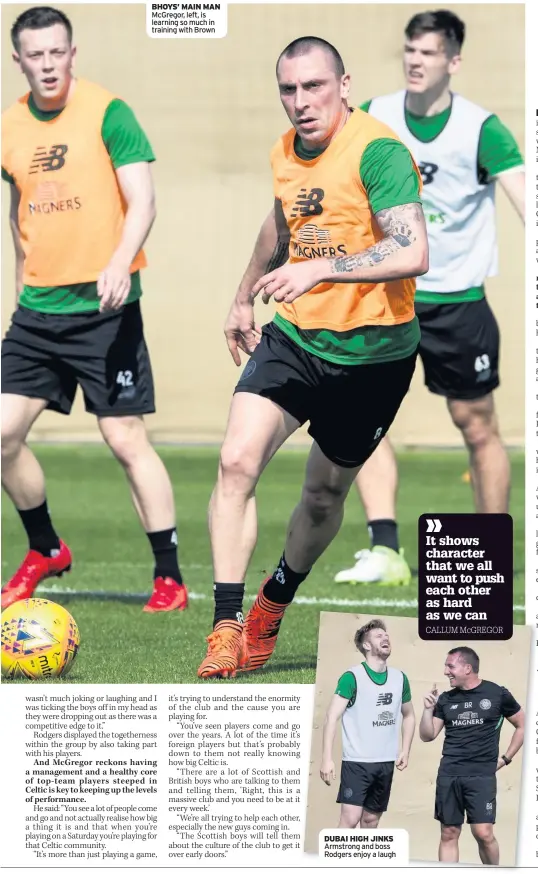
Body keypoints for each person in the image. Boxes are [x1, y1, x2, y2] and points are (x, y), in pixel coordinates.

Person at [197, 35, 429, 679]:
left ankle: (272, 606)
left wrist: (321, 267)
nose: (301, 102)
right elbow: (280, 222)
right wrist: (243, 297)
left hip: (375, 357)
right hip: (296, 339)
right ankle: (225, 626)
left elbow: (411, 250)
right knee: (236, 459)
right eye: (289, 90)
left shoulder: (379, 152)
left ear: (345, 85)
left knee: (324, 498)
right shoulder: (285, 151)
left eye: (315, 87)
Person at [1, 6, 188, 613]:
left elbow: (143, 200)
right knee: (1, 437)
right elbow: (18, 210)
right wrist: (23, 276)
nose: (48, 64)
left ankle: (169, 576)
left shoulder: (110, 112)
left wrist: (119, 260)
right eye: (37, 55)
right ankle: (46, 548)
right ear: (19, 60)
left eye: (58, 52)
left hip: (106, 310)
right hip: (38, 314)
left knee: (124, 437)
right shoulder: (9, 128)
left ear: (72, 53)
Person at [335, 9, 525, 587]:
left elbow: (525, 200)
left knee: (476, 424)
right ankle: (385, 548)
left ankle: (489, 557)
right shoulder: (374, 115)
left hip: (457, 302)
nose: (416, 60)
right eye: (410, 50)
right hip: (388, 295)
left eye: (430, 52)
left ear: (453, 61)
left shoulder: (481, 128)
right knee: (361, 416)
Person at [420, 646, 525, 865]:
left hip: (481, 777)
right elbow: (427, 735)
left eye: (450, 666)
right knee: (449, 833)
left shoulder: (497, 693)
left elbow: (522, 725)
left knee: (483, 833)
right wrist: (428, 709)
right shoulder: (446, 699)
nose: (445, 671)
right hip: (450, 774)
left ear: (468, 668)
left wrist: (506, 759)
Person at [320, 619, 415, 827]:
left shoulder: (400, 678)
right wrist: (327, 759)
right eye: (378, 635)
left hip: (385, 763)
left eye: (386, 634)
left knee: (371, 821)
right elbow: (331, 717)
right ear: (366, 645)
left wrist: (405, 750)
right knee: (350, 819)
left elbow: (409, 715)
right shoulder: (352, 677)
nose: (386, 637)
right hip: (357, 763)